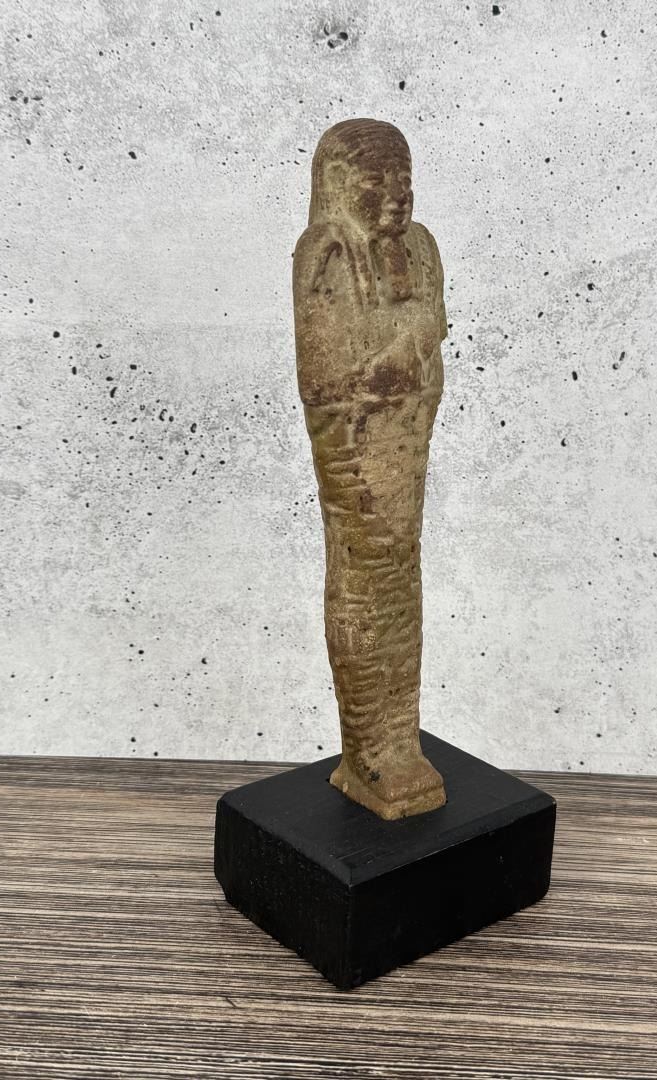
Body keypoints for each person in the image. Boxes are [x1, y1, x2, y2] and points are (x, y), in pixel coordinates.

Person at [293, 118, 449, 820]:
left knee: (402, 578)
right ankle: (367, 750)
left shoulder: (421, 247)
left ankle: (400, 740)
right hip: (355, 442)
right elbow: (326, 378)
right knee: (365, 574)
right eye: (375, 179)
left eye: (403, 178)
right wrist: (406, 345)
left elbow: (430, 339)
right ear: (337, 183)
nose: (394, 193)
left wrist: (407, 351)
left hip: (408, 431)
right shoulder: (326, 250)